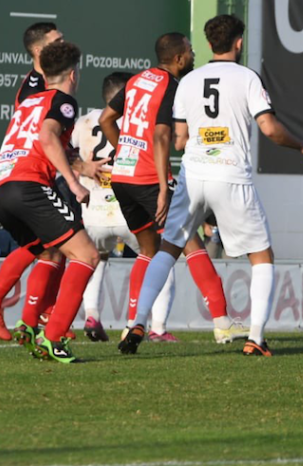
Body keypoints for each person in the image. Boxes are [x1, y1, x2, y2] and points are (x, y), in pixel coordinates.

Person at [117, 14, 303, 357]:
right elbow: (268, 128)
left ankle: (138, 320)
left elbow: (178, 139)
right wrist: (301, 145)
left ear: (210, 45)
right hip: (230, 175)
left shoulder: (189, 81)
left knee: (168, 249)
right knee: (262, 256)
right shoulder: (247, 77)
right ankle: (255, 336)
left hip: (193, 176)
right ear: (238, 42)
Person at [99, 33, 236, 343]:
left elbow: (108, 118)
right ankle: (222, 320)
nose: (192, 55)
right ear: (178, 58)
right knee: (192, 244)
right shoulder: (172, 86)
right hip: (149, 178)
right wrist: (164, 186)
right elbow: (162, 137)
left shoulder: (136, 81)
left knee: (147, 250)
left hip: (122, 177)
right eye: (189, 51)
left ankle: (134, 322)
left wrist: (124, 152)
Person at [0, 41, 101, 363]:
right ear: (73, 74)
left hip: (0, 187)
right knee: (86, 254)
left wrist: (82, 165)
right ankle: (53, 338)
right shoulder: (64, 101)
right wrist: (75, 184)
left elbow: (40, 143)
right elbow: (48, 138)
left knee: (44, 247)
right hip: (27, 185)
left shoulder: (29, 102)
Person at [73, 71, 180, 343]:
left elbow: (65, 151)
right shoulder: (136, 120)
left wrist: (83, 167)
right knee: (158, 255)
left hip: (94, 209)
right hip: (126, 201)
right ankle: (154, 325)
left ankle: (92, 315)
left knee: (97, 260)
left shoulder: (84, 122)